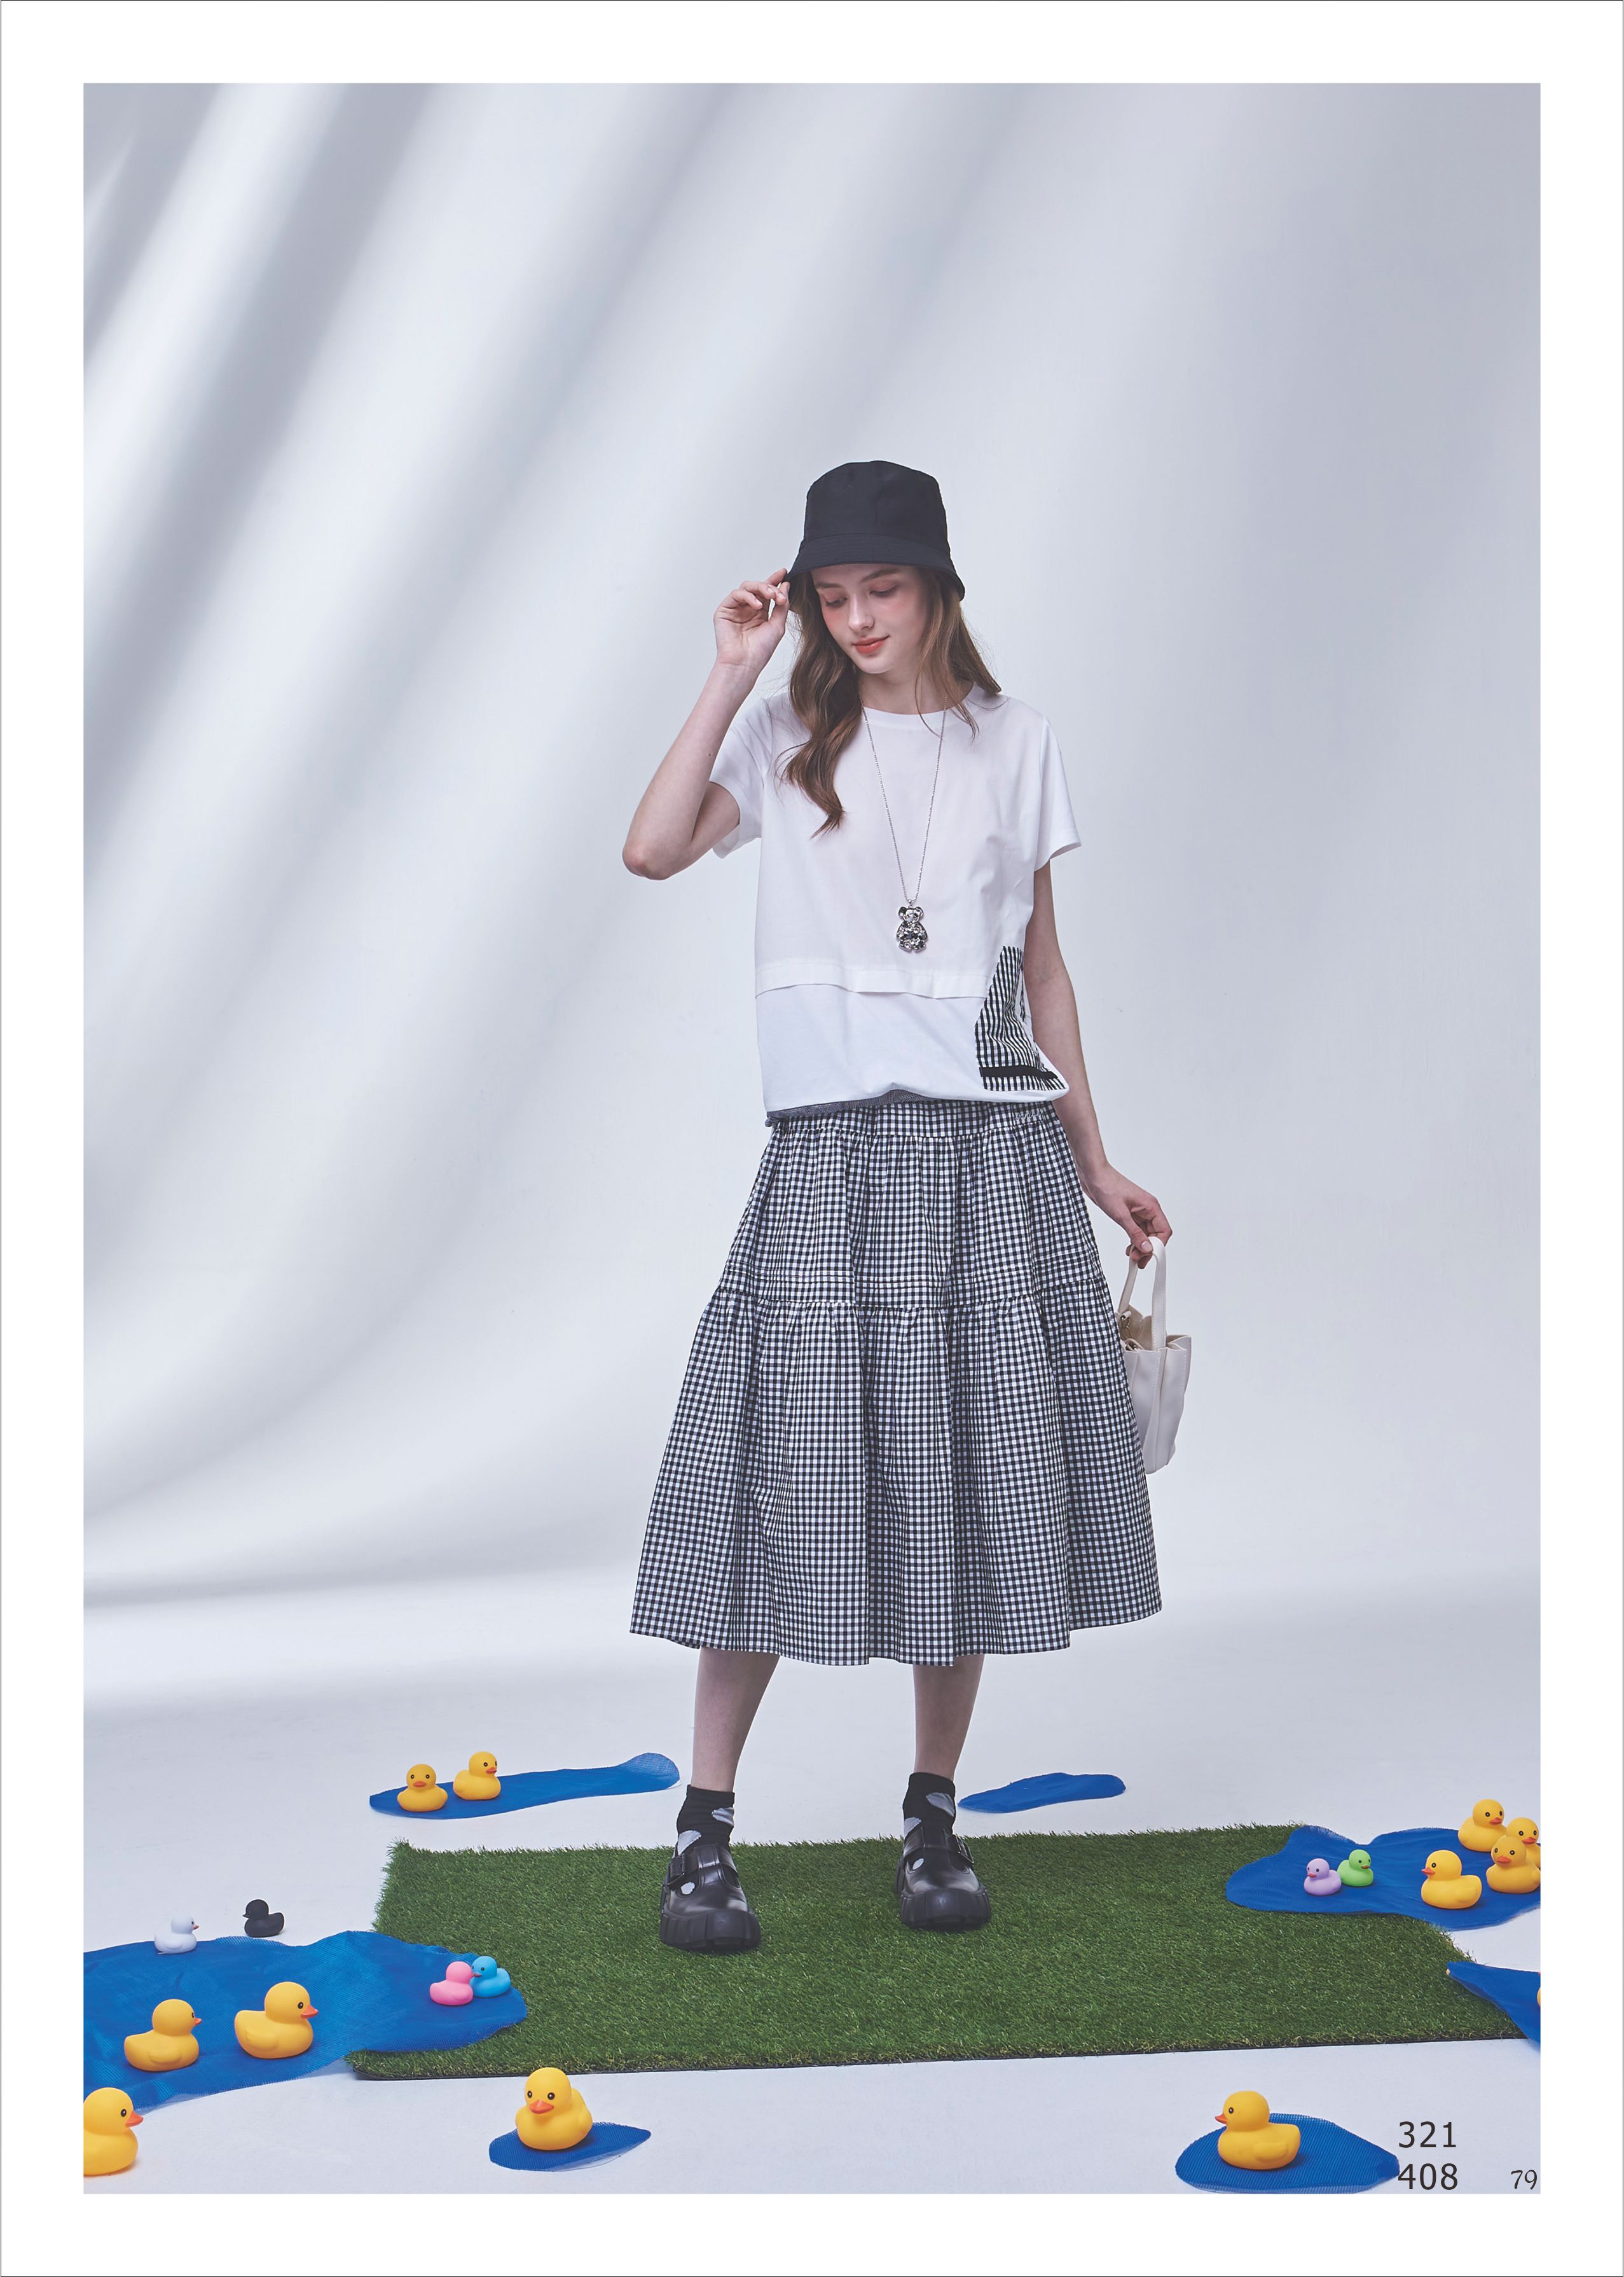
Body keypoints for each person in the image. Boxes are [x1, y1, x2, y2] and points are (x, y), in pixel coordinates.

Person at [623, 460, 1167, 1953]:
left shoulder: (1016, 740)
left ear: (937, 588)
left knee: (966, 1481)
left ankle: (931, 1811)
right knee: (771, 1471)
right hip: (832, 1147)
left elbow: (1040, 969)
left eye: (883, 588)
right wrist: (730, 668)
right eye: (831, 593)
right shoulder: (784, 725)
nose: (856, 617)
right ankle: (703, 1825)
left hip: (994, 1151)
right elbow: (651, 847)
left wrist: (1091, 1157)